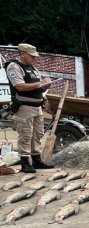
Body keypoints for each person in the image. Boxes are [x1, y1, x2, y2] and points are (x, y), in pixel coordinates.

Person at [5, 43, 54, 173]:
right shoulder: (14, 66)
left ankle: (37, 160)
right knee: (25, 135)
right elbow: (19, 86)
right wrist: (40, 83)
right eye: (31, 56)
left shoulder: (33, 68)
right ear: (22, 53)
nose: (34, 58)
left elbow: (38, 87)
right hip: (24, 107)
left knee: (37, 134)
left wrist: (45, 87)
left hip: (37, 106)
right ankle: (25, 162)